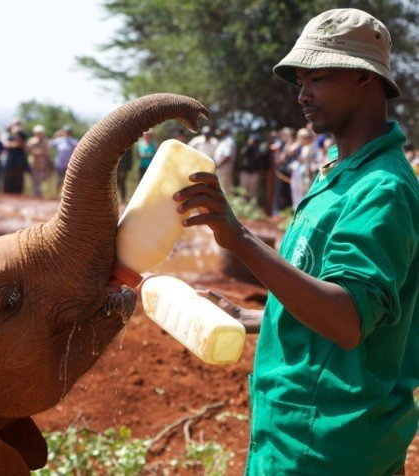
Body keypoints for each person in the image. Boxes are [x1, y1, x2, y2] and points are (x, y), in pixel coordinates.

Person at [174, 9, 418, 475]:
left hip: (327, 442)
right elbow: (344, 304)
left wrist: (239, 238)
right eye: (299, 81)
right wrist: (249, 317)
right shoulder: (339, 173)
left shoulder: (381, 190)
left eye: (318, 78)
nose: (302, 94)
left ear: (366, 79)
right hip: (297, 430)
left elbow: (347, 319)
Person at [49, 125, 78, 196]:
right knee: (58, 180)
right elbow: (50, 145)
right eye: (66, 131)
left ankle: (65, 195)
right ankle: (56, 194)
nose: (67, 133)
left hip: (69, 165)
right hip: (59, 164)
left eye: (69, 131)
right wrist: (55, 135)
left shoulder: (73, 141)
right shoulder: (59, 140)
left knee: (68, 181)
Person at [26, 124, 52, 197]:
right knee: (34, 180)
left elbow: (46, 152)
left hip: (43, 163)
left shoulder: (45, 141)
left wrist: (37, 152)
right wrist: (39, 151)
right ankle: (35, 195)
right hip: (33, 163)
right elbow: (29, 150)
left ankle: (41, 195)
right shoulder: (31, 140)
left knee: (43, 179)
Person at [3, 125, 30, 194]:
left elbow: (25, 147)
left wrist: (19, 142)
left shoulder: (23, 136)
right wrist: (16, 144)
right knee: (9, 181)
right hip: (10, 162)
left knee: (18, 182)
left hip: (20, 163)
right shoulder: (10, 137)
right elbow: (6, 145)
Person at [238, 134, 264, 202]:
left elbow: (261, 159)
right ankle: (242, 207)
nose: (254, 142)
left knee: (254, 192)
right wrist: (249, 144)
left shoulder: (260, 149)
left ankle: (253, 208)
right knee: (243, 191)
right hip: (245, 172)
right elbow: (242, 153)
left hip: (254, 172)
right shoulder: (247, 148)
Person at [213, 127, 236, 194]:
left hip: (225, 167)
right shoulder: (222, 141)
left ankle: (227, 202)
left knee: (226, 186)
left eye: (221, 131)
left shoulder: (229, 141)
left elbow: (227, 156)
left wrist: (218, 165)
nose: (219, 133)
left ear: (225, 132)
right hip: (220, 167)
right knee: (221, 186)